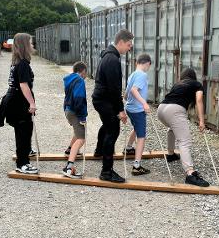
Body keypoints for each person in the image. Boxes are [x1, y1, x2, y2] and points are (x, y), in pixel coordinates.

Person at [92, 29, 133, 183]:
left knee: (108, 125)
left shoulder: (109, 56)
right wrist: (120, 110)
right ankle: (106, 172)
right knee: (113, 130)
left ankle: (99, 151)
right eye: (129, 45)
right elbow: (114, 89)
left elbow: (113, 89)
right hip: (104, 100)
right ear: (121, 42)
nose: (130, 48)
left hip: (101, 99)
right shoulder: (112, 59)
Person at [157, 67, 210, 187]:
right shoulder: (197, 84)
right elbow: (199, 100)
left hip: (161, 110)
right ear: (193, 77)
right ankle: (190, 174)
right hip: (175, 110)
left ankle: (170, 154)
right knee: (184, 141)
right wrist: (202, 120)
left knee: (172, 128)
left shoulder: (178, 84)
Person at [5, 33, 38, 175]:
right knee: (22, 131)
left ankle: (25, 155)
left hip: (15, 99)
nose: (32, 45)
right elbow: (23, 85)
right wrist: (32, 103)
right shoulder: (22, 63)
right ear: (25, 45)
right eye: (30, 43)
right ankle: (22, 163)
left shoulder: (17, 61)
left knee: (25, 129)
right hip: (18, 101)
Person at [124, 53, 152, 175]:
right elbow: (134, 90)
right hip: (137, 109)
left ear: (137, 62)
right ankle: (136, 165)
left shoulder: (133, 74)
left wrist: (126, 100)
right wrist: (144, 103)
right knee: (141, 137)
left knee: (136, 128)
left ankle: (129, 148)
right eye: (149, 66)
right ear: (147, 64)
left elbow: (126, 93)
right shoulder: (142, 75)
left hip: (130, 108)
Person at [62, 61, 88, 178]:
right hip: (75, 112)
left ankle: (70, 150)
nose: (86, 76)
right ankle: (69, 167)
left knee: (77, 132)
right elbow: (79, 98)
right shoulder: (79, 80)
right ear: (82, 71)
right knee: (81, 138)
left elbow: (67, 97)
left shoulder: (70, 79)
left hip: (68, 110)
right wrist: (82, 116)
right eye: (86, 73)